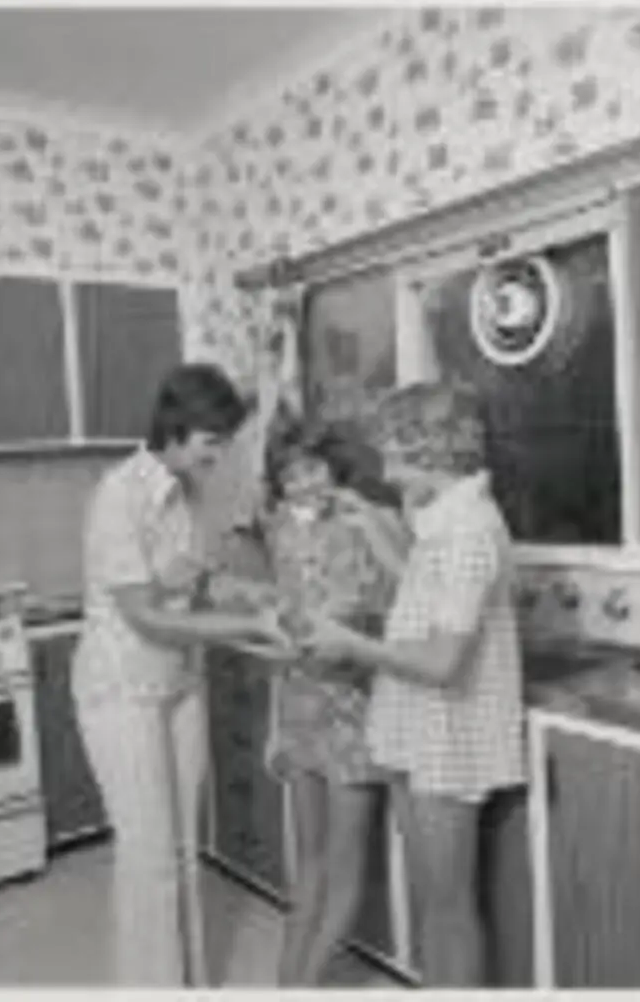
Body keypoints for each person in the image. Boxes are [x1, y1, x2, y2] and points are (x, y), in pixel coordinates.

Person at [71, 363, 290, 988]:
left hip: (177, 686)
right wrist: (248, 630)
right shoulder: (119, 495)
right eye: (212, 442)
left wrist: (249, 596)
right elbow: (145, 617)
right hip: (121, 692)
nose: (218, 456)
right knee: (149, 861)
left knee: (181, 855)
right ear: (177, 427)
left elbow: (191, 583)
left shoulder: (187, 492)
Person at [303, 379, 526, 987]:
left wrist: (352, 645)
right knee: (435, 903)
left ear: (433, 453)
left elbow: (443, 663)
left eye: (395, 457)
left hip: (447, 732)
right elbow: (424, 589)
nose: (390, 473)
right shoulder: (445, 523)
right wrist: (372, 526)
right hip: (420, 726)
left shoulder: (471, 529)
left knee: (450, 910)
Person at [259, 414, 410, 986]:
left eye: (313, 469)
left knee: (345, 869)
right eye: (290, 474)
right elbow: (285, 624)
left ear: (334, 468)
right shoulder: (279, 531)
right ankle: (286, 984)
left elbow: (403, 608)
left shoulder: (372, 523)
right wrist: (275, 725)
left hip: (356, 708)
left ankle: (304, 986)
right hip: (300, 707)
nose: (304, 484)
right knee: (310, 864)